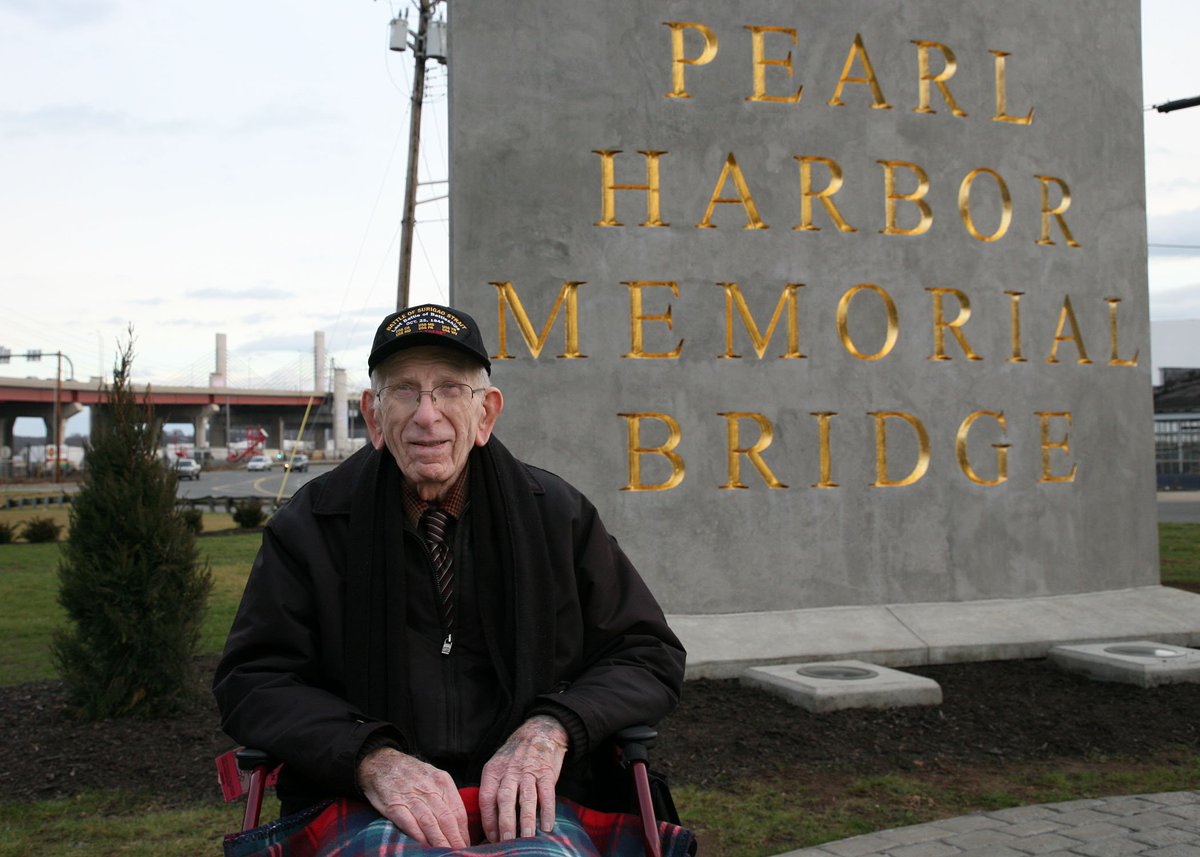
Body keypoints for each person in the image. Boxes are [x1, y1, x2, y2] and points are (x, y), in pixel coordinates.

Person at [213, 303, 686, 851]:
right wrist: (371, 759)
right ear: (373, 416)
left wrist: (552, 730)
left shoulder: (557, 515)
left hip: (537, 801)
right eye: (405, 390)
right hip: (361, 800)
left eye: (450, 390)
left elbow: (647, 653)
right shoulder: (311, 526)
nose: (427, 414)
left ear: (486, 414)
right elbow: (253, 680)